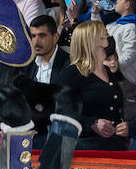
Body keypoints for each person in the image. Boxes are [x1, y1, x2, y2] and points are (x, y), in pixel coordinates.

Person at [53, 20, 127, 151]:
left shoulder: (108, 71)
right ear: (92, 40)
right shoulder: (70, 75)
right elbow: (59, 115)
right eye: (105, 34)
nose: (109, 36)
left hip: (115, 146)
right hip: (86, 148)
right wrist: (91, 124)